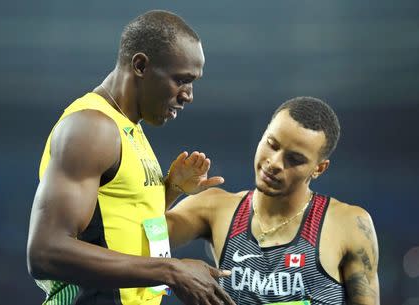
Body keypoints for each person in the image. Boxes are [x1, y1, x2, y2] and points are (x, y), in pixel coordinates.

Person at [26, 10, 236, 305]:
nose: (188, 95)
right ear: (140, 65)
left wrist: (171, 189)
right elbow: (46, 252)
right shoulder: (92, 127)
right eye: (181, 80)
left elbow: (115, 223)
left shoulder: (129, 129)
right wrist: (171, 270)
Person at [167, 97, 380, 304]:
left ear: (319, 168)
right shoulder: (214, 207)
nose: (275, 162)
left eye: (294, 159)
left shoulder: (349, 225)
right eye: (272, 144)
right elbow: (142, 240)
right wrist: (172, 190)